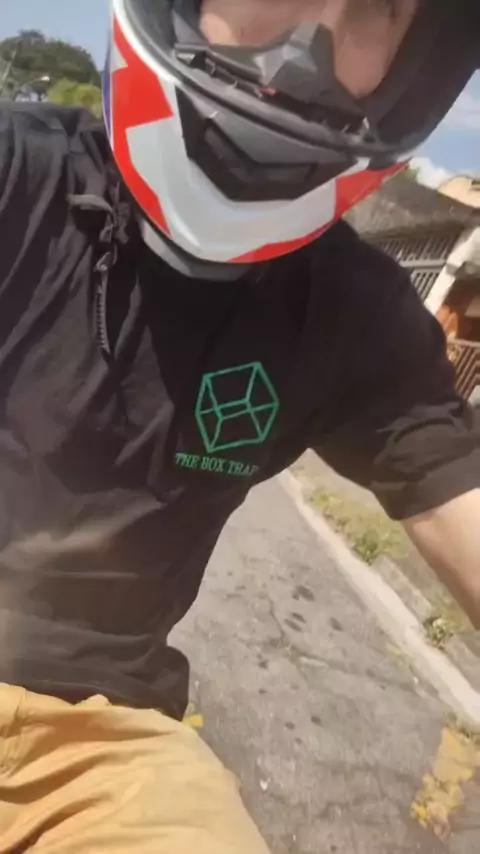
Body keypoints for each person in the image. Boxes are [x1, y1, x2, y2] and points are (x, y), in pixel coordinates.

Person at [0, 0, 479, 850]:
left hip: (100, 741)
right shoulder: (17, 173)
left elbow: (458, 497)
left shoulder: (355, 316)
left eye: (376, 6)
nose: (305, 56)